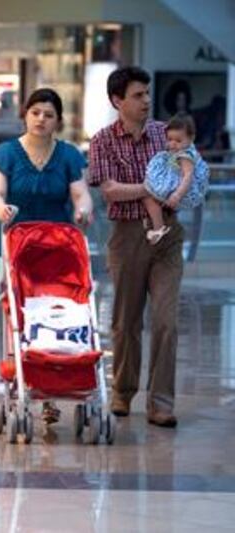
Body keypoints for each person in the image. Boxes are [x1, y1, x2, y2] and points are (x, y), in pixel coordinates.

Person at [0, 88, 93, 424]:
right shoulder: (6, 153)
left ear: (58, 120)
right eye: (35, 113)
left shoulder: (69, 155)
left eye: (48, 114)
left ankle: (52, 388)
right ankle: (21, 379)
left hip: (58, 250)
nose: (41, 120)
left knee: (56, 317)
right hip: (14, 248)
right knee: (18, 318)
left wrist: (83, 211)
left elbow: (81, 194)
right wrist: (2, 210)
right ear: (25, 115)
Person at [88, 66, 182, 428]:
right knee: (125, 322)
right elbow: (109, 190)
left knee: (165, 321)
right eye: (138, 95)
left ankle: (160, 403)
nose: (146, 100)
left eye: (147, 93)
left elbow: (184, 176)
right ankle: (122, 392)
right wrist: (152, 188)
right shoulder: (102, 141)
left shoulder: (165, 134)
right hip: (126, 235)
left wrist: (145, 187)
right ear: (117, 101)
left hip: (168, 236)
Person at [142, 114, 209, 244]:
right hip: (174, 183)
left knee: (147, 195)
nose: (172, 144)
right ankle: (154, 222)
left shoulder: (185, 155)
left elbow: (188, 176)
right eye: (169, 139)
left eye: (178, 141)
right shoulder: (178, 153)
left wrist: (177, 195)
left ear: (191, 139)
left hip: (179, 188)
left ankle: (158, 226)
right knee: (152, 197)